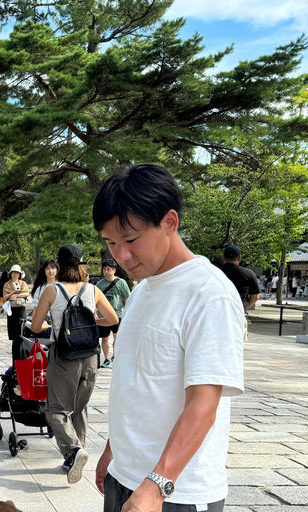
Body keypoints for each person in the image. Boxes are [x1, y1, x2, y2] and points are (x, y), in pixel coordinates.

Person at [92, 164, 245, 512]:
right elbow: (137, 384)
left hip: (174, 492)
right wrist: (113, 451)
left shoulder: (209, 293)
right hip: (126, 477)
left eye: (131, 240)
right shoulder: (144, 290)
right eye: (111, 243)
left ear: (170, 222)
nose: (122, 255)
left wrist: (156, 486)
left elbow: (203, 405)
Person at [31, 245, 118, 485]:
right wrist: (91, 322)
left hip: (64, 356)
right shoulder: (92, 289)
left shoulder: (52, 290)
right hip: (90, 356)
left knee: (57, 409)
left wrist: (53, 324)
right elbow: (113, 319)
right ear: (81, 264)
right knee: (80, 408)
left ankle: (74, 450)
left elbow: (36, 327)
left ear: (58, 266)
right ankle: (74, 456)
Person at [95, 260, 131, 368]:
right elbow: (95, 299)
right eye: (104, 269)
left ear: (114, 270)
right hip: (103, 316)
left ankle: (115, 356)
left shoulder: (121, 282)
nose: (106, 272)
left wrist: (127, 312)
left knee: (117, 336)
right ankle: (106, 358)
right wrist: (95, 313)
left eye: (108, 269)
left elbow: (126, 297)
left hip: (117, 314)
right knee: (104, 338)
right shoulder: (99, 284)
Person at [220, 245, 260, 313]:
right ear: (239, 258)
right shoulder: (249, 274)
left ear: (223, 258)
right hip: (239, 312)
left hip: (219, 312)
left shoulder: (215, 273)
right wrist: (244, 307)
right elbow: (255, 297)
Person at [3, 264, 30, 341]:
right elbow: (5, 297)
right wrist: (14, 292)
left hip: (21, 308)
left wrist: (16, 296)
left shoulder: (23, 283)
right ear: (11, 273)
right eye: (14, 272)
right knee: (13, 328)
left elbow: (26, 293)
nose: (15, 274)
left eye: (17, 273)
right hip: (12, 309)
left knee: (22, 327)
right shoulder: (7, 284)